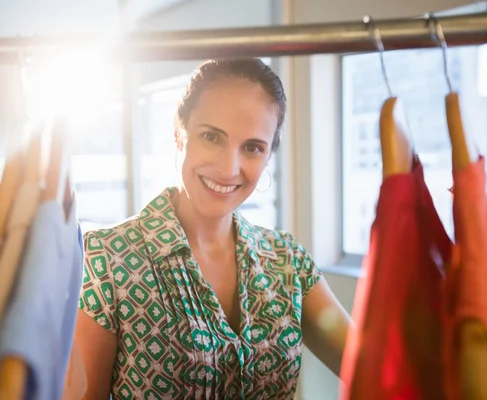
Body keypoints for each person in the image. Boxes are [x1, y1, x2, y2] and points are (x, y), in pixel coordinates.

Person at [74, 58, 353, 399]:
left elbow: (372, 371)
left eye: (252, 147)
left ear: (268, 156)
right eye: (211, 136)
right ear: (179, 134)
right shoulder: (107, 260)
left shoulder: (286, 260)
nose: (228, 167)